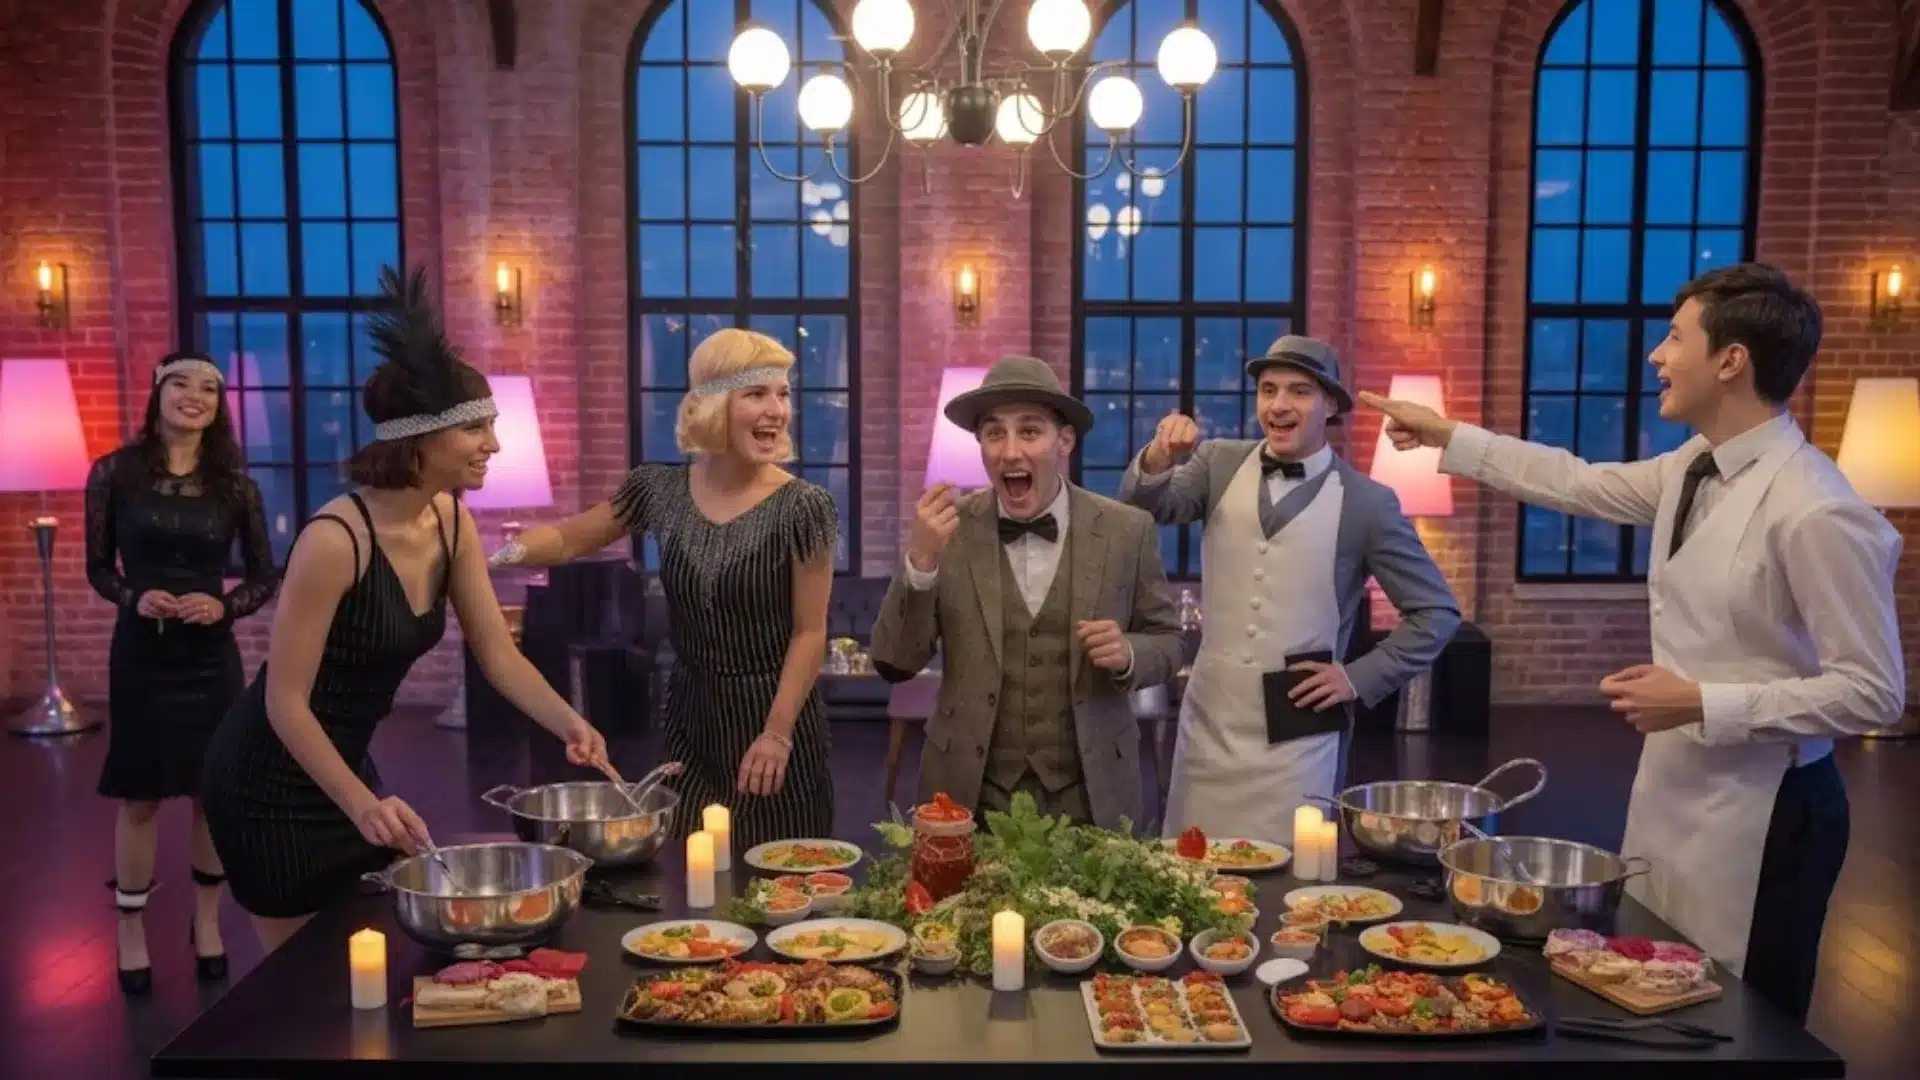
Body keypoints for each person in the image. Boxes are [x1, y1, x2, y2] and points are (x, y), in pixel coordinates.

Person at [1365, 262, 1905, 1024]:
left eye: (1675, 338)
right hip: (1676, 785)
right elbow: (1577, 483)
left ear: (1731, 360)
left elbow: (1874, 691)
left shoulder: (1819, 510)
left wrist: (1701, 702)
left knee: (1746, 1023)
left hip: (1770, 809)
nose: (1657, 355)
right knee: (1655, 987)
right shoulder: (1691, 465)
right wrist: (1448, 436)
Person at [200, 267, 612, 952]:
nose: (493, 445)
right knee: (295, 985)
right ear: (421, 438)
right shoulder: (334, 540)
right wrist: (361, 804)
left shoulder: (451, 521)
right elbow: (284, 702)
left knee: (366, 964)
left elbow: (498, 654)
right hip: (267, 782)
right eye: (476, 428)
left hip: (345, 766)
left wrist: (570, 721)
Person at [492, 327, 840, 851]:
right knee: (687, 871)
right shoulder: (657, 489)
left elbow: (809, 633)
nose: (777, 411)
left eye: (783, 394)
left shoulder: (805, 507)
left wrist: (776, 733)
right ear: (715, 405)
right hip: (690, 724)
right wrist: (495, 554)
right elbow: (568, 539)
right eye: (756, 394)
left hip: (775, 726)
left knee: (777, 876)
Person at [1118, 335, 1460, 845]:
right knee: (1189, 868)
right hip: (1209, 726)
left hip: (1300, 740)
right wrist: (1158, 457)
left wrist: (1356, 677)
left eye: (1299, 391)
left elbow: (1436, 612)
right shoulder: (1217, 463)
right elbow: (1143, 509)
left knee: (1292, 876)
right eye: (1268, 389)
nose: (1279, 405)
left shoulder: (1367, 504)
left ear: (1331, 406)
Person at [868, 356, 1186, 831]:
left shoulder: (1127, 530)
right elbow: (896, 663)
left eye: (1030, 431)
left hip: (1092, 798)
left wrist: (1129, 653)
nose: (1010, 451)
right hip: (969, 796)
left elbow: (1169, 642)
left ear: (1065, 440)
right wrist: (920, 564)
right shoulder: (945, 531)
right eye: (994, 434)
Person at [85, 351, 275, 993]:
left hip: (209, 656)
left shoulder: (237, 488)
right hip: (141, 654)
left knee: (208, 791)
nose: (195, 396)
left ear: (219, 406)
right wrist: (133, 596)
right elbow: (98, 568)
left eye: (209, 389)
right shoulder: (113, 473)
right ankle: (130, 929)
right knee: (139, 794)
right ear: (158, 393)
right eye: (181, 384)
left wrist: (224, 606)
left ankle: (208, 920)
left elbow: (263, 576)